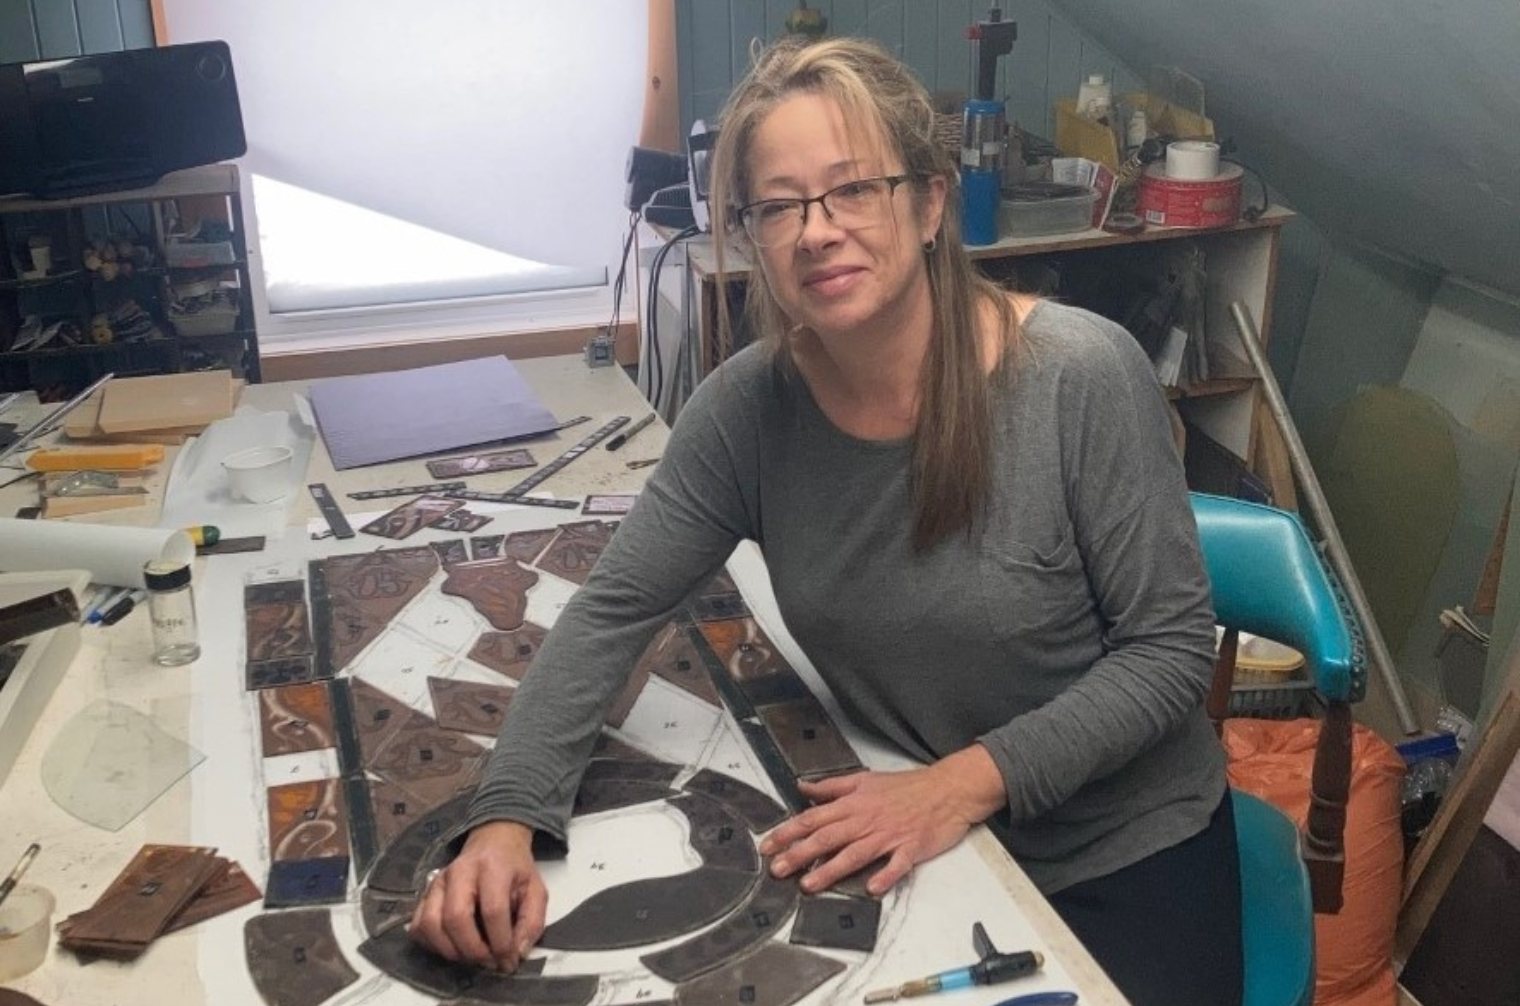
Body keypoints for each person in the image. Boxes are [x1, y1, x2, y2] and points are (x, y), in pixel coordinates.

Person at [410, 36, 1242, 1006]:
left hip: (1117, 848)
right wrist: (504, 821)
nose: (816, 230)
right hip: (921, 829)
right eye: (779, 205)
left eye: (853, 189)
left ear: (928, 204)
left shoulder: (1079, 376)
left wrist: (958, 785)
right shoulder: (746, 410)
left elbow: (1167, 653)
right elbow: (613, 611)